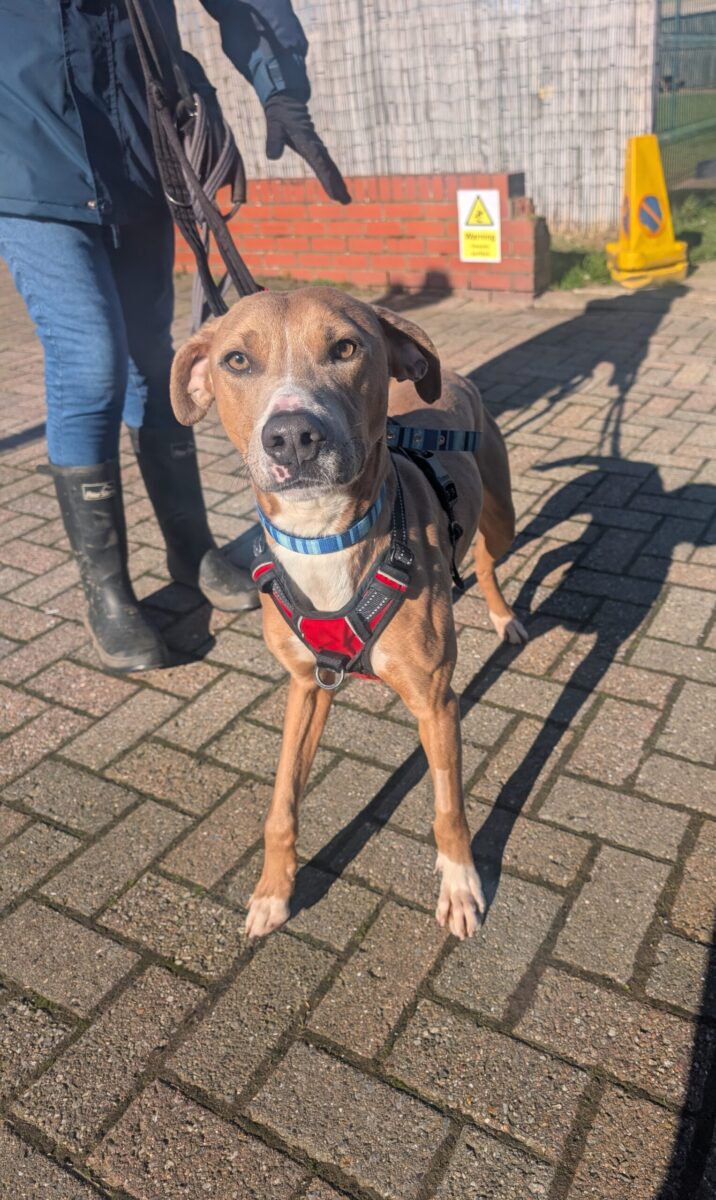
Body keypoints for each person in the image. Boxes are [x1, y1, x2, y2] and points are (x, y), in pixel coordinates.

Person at [0, 0, 349, 673]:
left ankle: (190, 550)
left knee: (149, 359)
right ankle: (107, 593)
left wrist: (280, 88)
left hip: (137, 145)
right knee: (91, 363)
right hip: (24, 151)